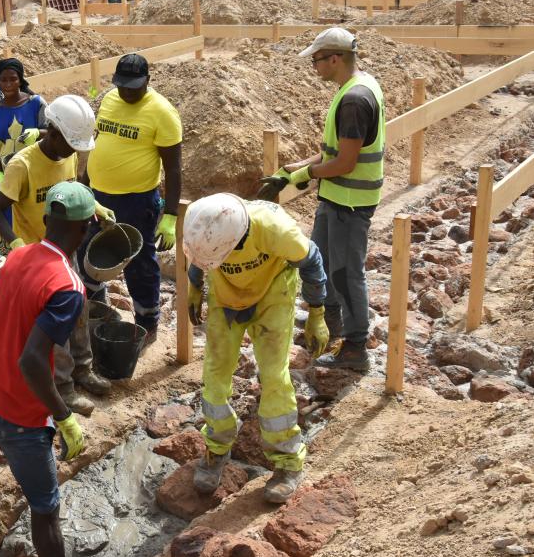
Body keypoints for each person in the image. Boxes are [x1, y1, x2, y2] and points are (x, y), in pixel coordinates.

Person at [0, 180, 95, 557]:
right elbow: (33, 363)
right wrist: (64, 416)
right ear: (86, 228)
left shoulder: (18, 254)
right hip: (19, 418)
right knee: (45, 508)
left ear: (49, 221)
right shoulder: (69, 287)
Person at [183, 193, 329, 504]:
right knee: (215, 374)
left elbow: (311, 259)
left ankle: (288, 462)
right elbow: (197, 254)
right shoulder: (205, 223)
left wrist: (316, 312)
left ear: (236, 239)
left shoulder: (274, 228)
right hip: (225, 297)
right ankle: (217, 448)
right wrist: (195, 285)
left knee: (274, 376)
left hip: (272, 294)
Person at [259, 27, 385, 372]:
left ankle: (355, 347)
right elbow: (331, 152)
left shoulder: (355, 100)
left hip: (350, 202)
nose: (313, 66)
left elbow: (345, 162)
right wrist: (290, 171)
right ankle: (332, 323)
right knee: (320, 260)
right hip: (336, 198)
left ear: (335, 59)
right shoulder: (353, 89)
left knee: (346, 274)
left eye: (316, 60)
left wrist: (304, 177)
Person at [0, 94, 113, 415]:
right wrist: (15, 243)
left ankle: (83, 369)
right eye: (71, 144)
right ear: (53, 132)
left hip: (64, 251)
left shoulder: (67, 156)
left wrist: (94, 205)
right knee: (55, 322)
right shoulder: (23, 165)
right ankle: (63, 386)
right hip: (34, 257)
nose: (75, 152)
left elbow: (73, 188)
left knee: (80, 307)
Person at [82, 54, 182, 344]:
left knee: (139, 264)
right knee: (88, 253)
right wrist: (85, 184)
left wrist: (172, 215)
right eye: (122, 85)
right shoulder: (111, 99)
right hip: (99, 196)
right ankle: (98, 308)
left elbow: (174, 168)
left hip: (136, 201)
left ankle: (146, 321)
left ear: (148, 81)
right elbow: (98, 145)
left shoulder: (162, 112)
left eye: (133, 86)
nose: (126, 91)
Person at [0, 58, 46, 180]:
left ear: (20, 81)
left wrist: (38, 132)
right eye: (3, 80)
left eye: (13, 79)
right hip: (8, 174)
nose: (8, 84)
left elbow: (52, 133)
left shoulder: (36, 103)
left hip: (36, 171)